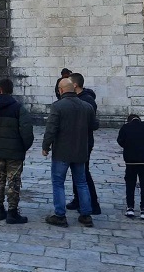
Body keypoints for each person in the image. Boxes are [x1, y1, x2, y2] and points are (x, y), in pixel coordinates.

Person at [42, 78, 96, 228]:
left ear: (61, 90)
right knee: (81, 182)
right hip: (80, 150)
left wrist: (46, 146)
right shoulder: (86, 106)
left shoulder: (58, 106)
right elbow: (94, 125)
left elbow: (51, 128)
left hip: (62, 151)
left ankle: (60, 215)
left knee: (58, 183)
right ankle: (86, 215)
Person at [0, 78, 34, 224]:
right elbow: (27, 131)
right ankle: (12, 212)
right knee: (14, 181)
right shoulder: (18, 108)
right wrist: (23, 147)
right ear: (11, 90)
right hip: (15, 152)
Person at [65, 73, 101, 215]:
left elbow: (91, 123)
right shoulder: (78, 98)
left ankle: (93, 204)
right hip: (75, 140)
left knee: (83, 172)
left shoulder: (87, 100)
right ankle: (78, 199)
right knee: (77, 171)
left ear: (74, 85)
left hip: (84, 141)